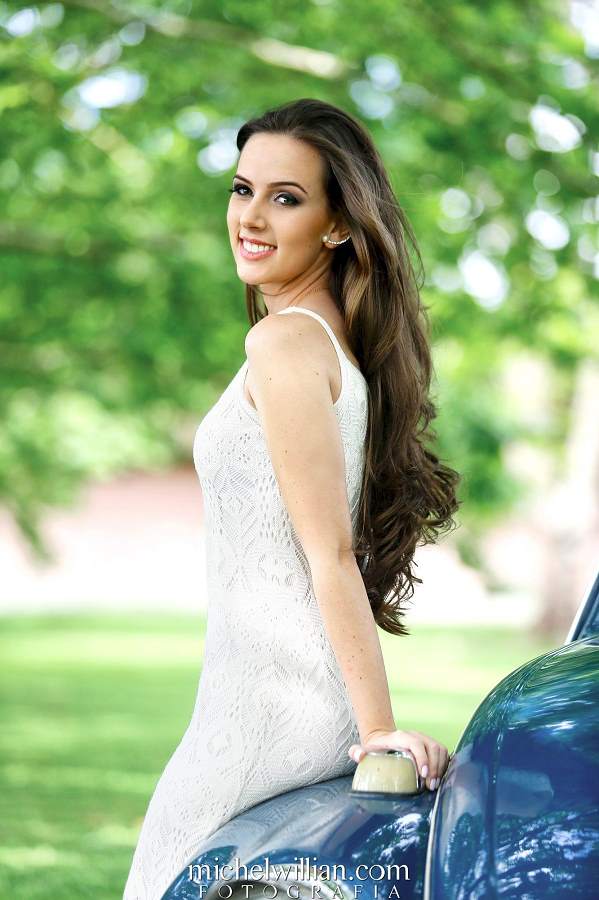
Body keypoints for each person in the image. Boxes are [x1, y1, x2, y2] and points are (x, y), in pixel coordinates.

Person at [123, 97, 461, 900]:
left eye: (285, 197)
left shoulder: (283, 342)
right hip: (277, 699)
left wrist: (377, 730)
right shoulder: (325, 344)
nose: (250, 216)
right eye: (242, 190)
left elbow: (329, 554)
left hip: (268, 711)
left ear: (337, 225)